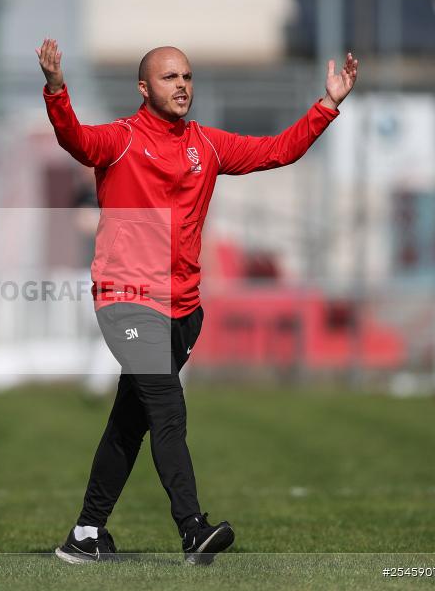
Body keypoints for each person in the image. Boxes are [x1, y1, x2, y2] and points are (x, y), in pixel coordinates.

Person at [36, 39, 358, 564]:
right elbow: (74, 137)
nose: (182, 85)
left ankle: (85, 535)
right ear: (144, 88)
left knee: (130, 423)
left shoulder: (206, 145)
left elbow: (279, 150)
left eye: (187, 76)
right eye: (170, 77)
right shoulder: (120, 139)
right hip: (127, 299)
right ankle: (192, 529)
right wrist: (56, 88)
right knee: (168, 409)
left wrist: (327, 104)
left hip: (183, 309)